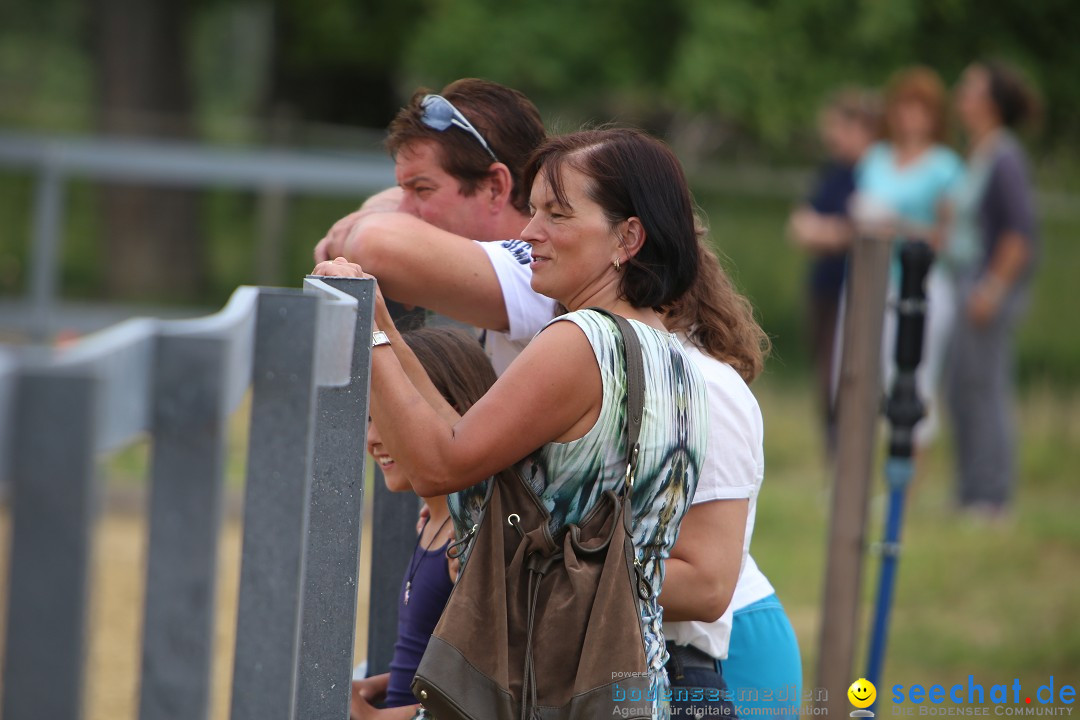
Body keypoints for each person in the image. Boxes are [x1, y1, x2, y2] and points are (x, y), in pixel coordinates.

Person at [315, 79, 798, 716]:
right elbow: (478, 468)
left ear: (628, 240)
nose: (531, 232)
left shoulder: (581, 342)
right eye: (533, 208)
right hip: (631, 681)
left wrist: (368, 331)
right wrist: (380, 318)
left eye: (557, 215)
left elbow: (443, 463)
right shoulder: (665, 351)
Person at [314, 78, 556, 375]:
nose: (404, 211)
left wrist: (355, 225)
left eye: (423, 189)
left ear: (495, 187)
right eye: (404, 190)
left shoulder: (532, 267)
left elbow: (372, 242)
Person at [350, 327, 499, 720]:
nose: (372, 438)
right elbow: (432, 662)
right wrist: (379, 686)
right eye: (369, 417)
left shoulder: (464, 542)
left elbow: (485, 692)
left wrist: (374, 717)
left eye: (390, 416)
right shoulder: (433, 523)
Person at [850, 66, 964, 447]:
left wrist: (898, 224)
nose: (909, 117)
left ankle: (911, 470)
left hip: (921, 280)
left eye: (920, 108)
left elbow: (950, 236)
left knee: (915, 377)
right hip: (875, 278)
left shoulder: (945, 166)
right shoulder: (876, 157)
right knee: (865, 374)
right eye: (903, 107)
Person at [945, 60, 1039, 517]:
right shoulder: (978, 152)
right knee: (962, 387)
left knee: (986, 389)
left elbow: (1018, 233)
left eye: (969, 89)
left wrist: (992, 289)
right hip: (965, 282)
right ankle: (969, 491)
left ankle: (991, 497)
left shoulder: (1005, 156)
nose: (960, 95)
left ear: (989, 103)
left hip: (986, 288)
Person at [788, 88, 880, 457]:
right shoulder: (834, 170)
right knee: (824, 374)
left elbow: (864, 229)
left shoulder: (875, 172)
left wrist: (830, 232)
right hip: (824, 285)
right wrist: (834, 232)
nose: (832, 137)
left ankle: (853, 457)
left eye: (839, 127)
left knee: (848, 375)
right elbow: (799, 225)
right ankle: (834, 456)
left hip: (858, 290)